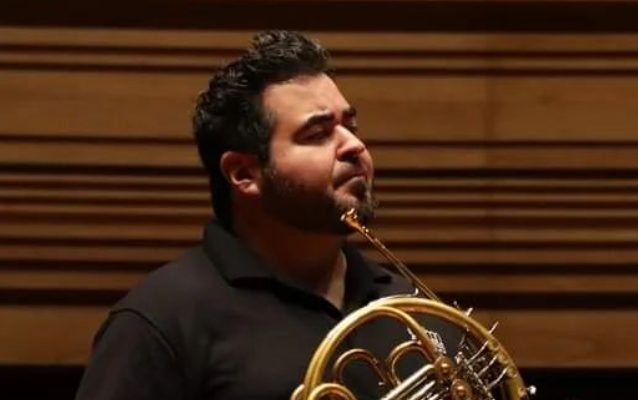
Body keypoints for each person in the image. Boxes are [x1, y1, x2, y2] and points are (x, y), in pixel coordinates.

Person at [75, 30, 459, 400]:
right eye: (318, 134)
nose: (354, 146)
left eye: (351, 126)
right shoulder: (162, 321)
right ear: (244, 174)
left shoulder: (413, 308)